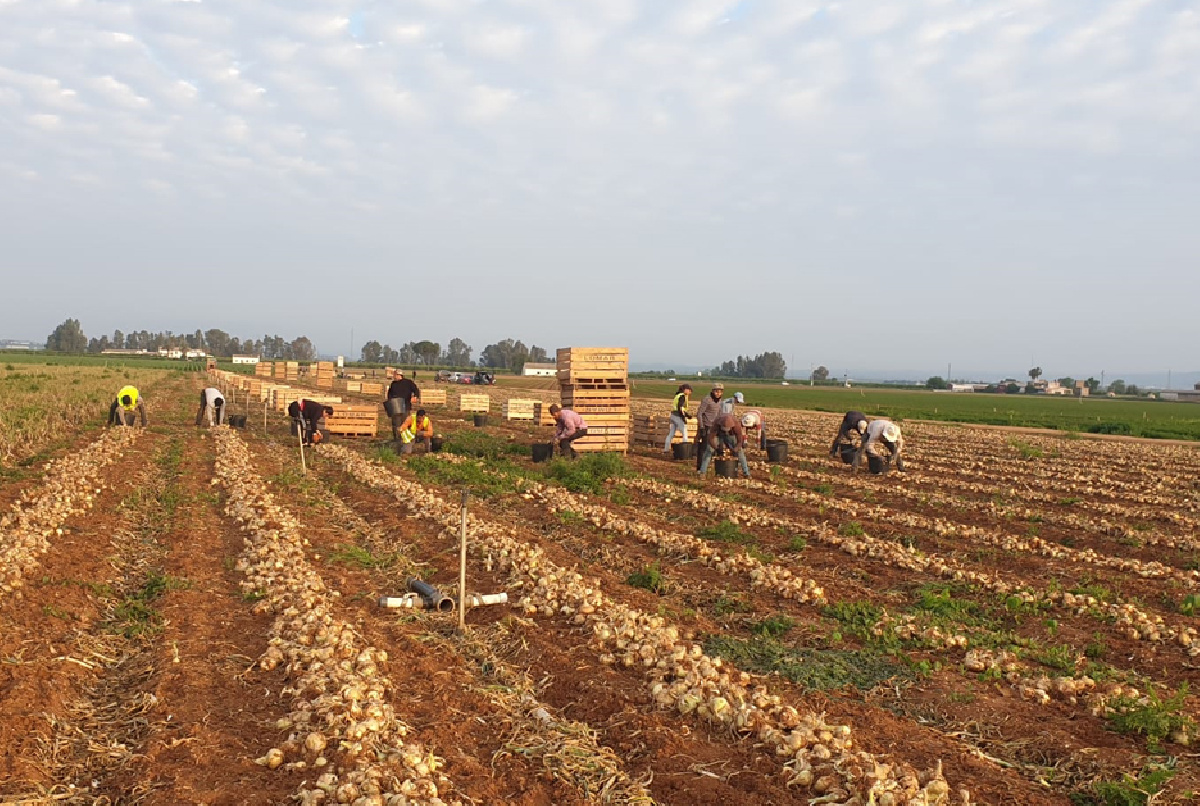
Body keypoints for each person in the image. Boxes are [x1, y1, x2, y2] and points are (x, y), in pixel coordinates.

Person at [698, 412, 751, 478]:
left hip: (731, 436)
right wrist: (716, 447)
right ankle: (702, 472)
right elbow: (711, 438)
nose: (726, 431)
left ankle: (746, 473)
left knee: (740, 452)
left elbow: (740, 441)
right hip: (718, 435)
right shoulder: (716, 423)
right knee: (709, 450)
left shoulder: (736, 425)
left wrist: (736, 449)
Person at [693, 383, 724, 470]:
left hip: (716, 426)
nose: (718, 393)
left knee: (717, 446)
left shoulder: (721, 402)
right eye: (716, 391)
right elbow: (699, 413)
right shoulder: (707, 400)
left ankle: (711, 465)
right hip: (706, 426)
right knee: (704, 446)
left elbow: (720, 414)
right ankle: (700, 467)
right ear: (713, 391)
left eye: (720, 392)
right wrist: (701, 427)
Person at [386, 370, 421, 441]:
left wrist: (415, 397)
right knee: (396, 424)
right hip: (396, 407)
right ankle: (397, 439)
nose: (394, 376)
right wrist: (390, 402)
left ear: (399, 375)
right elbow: (389, 394)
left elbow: (416, 390)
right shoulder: (393, 384)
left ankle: (405, 439)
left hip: (406, 406)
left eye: (395, 375)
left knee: (405, 423)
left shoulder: (408, 382)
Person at [663, 383, 693, 453]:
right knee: (685, 433)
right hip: (678, 416)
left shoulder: (677, 395)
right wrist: (685, 417)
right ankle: (685, 451)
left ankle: (666, 449)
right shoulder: (682, 396)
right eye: (689, 390)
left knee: (671, 434)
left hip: (673, 415)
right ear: (685, 390)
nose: (689, 392)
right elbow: (680, 408)